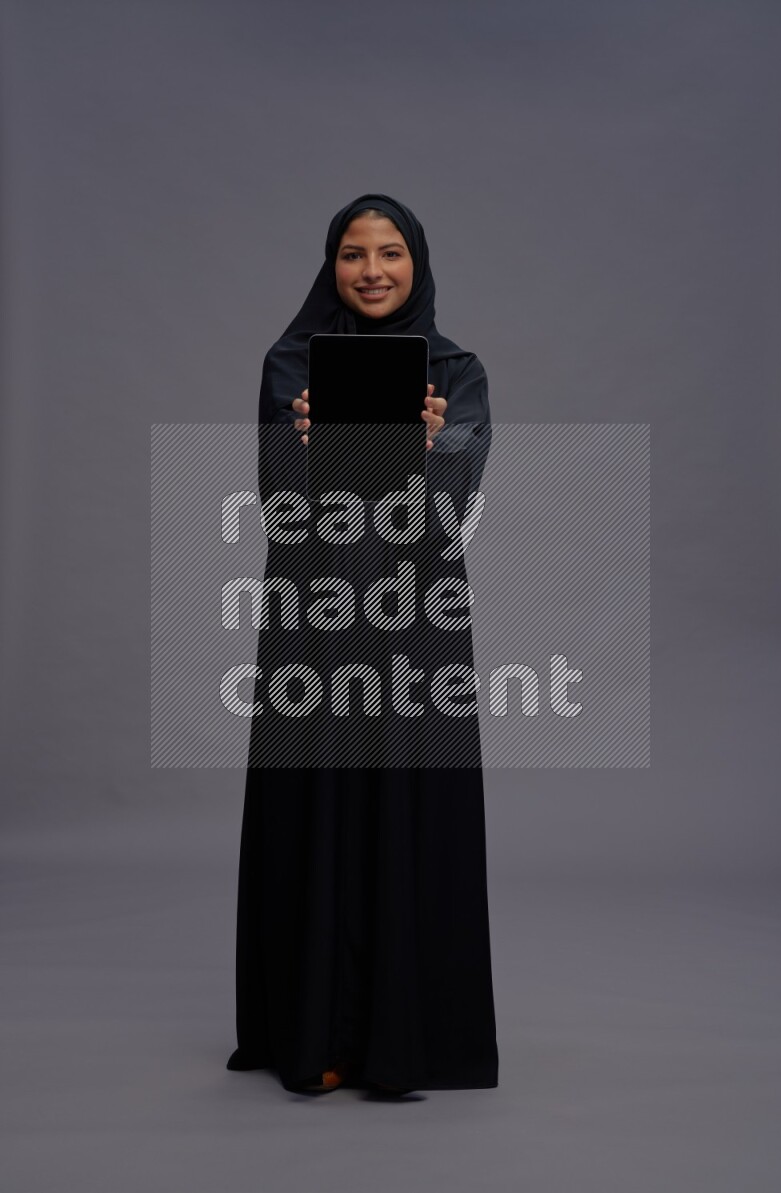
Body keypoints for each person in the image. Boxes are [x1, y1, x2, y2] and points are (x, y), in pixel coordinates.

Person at [226, 192, 498, 1095]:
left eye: (389, 252)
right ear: (330, 264)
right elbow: (282, 504)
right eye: (353, 253)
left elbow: (451, 511)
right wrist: (307, 442)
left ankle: (404, 1039)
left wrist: (428, 451)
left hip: (417, 622)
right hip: (314, 620)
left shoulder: (455, 372)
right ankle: (318, 1034)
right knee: (316, 807)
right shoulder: (289, 364)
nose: (372, 270)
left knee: (408, 806)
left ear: (417, 262)